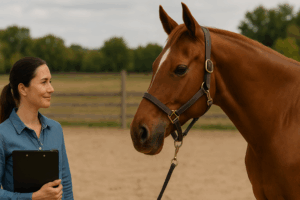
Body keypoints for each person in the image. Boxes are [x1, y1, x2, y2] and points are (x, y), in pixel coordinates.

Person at [0, 57, 74, 200]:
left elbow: (65, 182)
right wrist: (32, 197)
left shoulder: (56, 129)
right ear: (22, 89)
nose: (51, 89)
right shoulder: (2, 135)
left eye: (50, 82)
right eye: (44, 82)